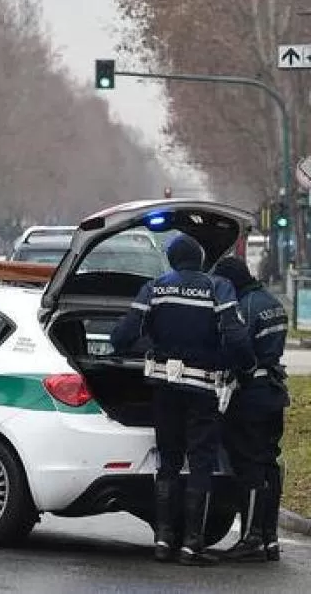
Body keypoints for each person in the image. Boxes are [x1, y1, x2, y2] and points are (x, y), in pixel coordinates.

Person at [110, 234, 253, 566]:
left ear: (171, 260)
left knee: (168, 462)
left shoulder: (154, 288)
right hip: (202, 389)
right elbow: (235, 336)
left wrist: (121, 349)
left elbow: (124, 333)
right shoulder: (218, 288)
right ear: (200, 260)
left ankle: (162, 540)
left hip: (164, 388)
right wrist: (243, 364)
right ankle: (191, 545)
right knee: (201, 462)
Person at [211, 256, 289, 563]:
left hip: (251, 394)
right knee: (269, 464)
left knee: (249, 466)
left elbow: (236, 347)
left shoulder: (242, 308)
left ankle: (251, 536)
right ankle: (269, 539)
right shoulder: (272, 302)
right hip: (273, 391)